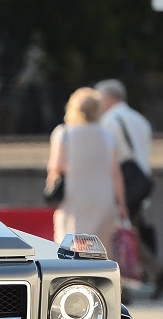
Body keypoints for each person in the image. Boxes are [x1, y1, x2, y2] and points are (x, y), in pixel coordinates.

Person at [96, 78, 163, 298]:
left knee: (117, 236)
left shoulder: (110, 121)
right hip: (140, 184)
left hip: (121, 186)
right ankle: (147, 276)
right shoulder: (140, 119)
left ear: (108, 98)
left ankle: (135, 282)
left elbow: (110, 159)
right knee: (127, 235)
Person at [47, 87, 127, 257]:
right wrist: (121, 204)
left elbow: (56, 166)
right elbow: (115, 173)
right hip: (103, 199)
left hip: (75, 199)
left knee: (71, 248)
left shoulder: (64, 133)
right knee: (101, 250)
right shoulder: (108, 136)